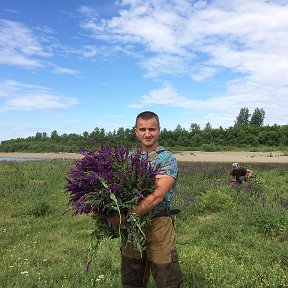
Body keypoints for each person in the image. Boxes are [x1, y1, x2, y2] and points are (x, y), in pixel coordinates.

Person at [108, 111, 184, 288]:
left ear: (159, 130)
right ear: (136, 131)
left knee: (167, 277)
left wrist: (124, 216)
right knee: (132, 276)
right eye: (142, 129)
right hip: (131, 227)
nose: (147, 134)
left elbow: (157, 196)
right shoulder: (127, 159)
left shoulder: (167, 158)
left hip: (158, 223)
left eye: (152, 129)